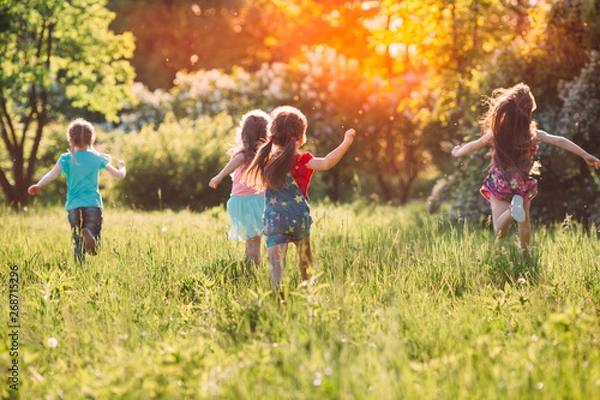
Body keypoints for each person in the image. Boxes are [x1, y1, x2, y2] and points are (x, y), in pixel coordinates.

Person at [451, 83, 600, 253]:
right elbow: (560, 140)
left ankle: (511, 211)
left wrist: (458, 152)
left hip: (499, 182)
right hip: (521, 183)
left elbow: (473, 146)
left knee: (500, 231)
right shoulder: (532, 135)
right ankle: (526, 256)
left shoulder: (497, 131)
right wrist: (585, 154)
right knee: (525, 222)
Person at [245, 105, 356, 292]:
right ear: (302, 138)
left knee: (276, 265)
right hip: (299, 219)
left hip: (274, 220)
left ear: (272, 134)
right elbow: (327, 162)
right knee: (306, 262)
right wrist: (345, 143)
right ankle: (308, 293)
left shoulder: (266, 159)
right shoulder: (303, 160)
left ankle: (279, 297)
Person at [28, 118, 126, 262]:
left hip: (74, 207)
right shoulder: (97, 158)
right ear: (91, 139)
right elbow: (119, 176)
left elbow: (52, 174)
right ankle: (91, 239)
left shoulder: (66, 158)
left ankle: (80, 266)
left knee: (77, 242)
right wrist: (122, 166)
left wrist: (39, 185)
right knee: (93, 239)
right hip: (93, 205)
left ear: (70, 139)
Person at [209, 109, 270, 267]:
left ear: (244, 134)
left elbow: (227, 169)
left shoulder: (243, 156)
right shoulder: (265, 156)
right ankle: (254, 267)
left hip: (243, 202)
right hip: (258, 201)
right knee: (255, 240)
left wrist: (218, 177)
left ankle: (251, 267)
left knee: (251, 241)